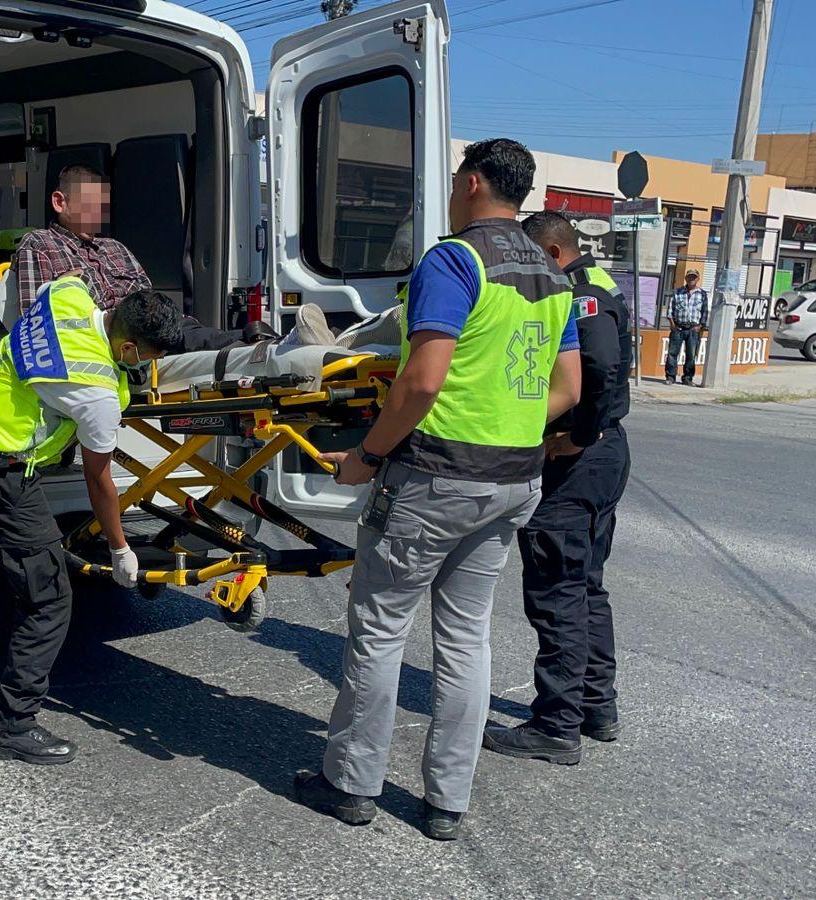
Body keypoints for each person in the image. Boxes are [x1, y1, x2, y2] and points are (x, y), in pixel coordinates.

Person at [292, 138, 582, 841]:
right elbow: (568, 390)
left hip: (434, 477)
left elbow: (422, 382)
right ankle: (447, 801)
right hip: (514, 480)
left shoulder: (455, 260)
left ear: (472, 182)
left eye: (456, 180)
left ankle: (351, 783)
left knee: (380, 630)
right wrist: (508, 427)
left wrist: (367, 455)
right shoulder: (553, 276)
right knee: (465, 638)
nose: (452, 191)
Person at [0, 276, 182, 764]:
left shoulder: (68, 294)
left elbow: (31, 292)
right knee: (49, 597)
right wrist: (120, 548)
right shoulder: (97, 393)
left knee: (1, 581)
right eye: (145, 359)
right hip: (10, 470)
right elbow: (99, 480)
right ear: (127, 348)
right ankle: (13, 727)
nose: (145, 369)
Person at [482, 211, 632, 765]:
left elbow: (599, 363)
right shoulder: (598, 281)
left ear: (550, 251)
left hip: (578, 457)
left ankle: (555, 726)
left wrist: (579, 433)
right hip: (604, 454)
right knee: (585, 585)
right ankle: (595, 706)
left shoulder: (579, 294)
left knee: (557, 591)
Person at [9, 163, 330, 351]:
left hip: (153, 328)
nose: (100, 212)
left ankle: (282, 345)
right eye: (91, 204)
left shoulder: (114, 248)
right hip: (108, 342)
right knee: (196, 342)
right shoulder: (39, 245)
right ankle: (281, 347)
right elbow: (33, 323)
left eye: (103, 204)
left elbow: (150, 299)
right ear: (60, 202)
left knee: (194, 335)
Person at [666, 270, 707, 385]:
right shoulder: (678, 292)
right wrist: (672, 324)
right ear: (685, 278)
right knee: (672, 353)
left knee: (691, 355)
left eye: (694, 277)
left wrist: (700, 326)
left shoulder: (702, 294)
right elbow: (670, 309)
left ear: (698, 279)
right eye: (689, 277)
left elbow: (704, 312)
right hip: (678, 327)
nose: (691, 279)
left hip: (693, 329)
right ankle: (670, 377)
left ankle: (687, 378)